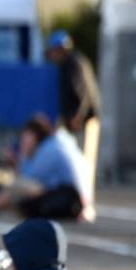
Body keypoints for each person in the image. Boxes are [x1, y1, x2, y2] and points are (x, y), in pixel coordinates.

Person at [0, 114, 87, 222]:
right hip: (71, 198)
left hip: (70, 200)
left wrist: (21, 156)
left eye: (25, 137)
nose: (23, 141)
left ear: (33, 135)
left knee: (18, 186)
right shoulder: (54, 144)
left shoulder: (50, 149)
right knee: (20, 193)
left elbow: (27, 177)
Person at [45, 29, 100, 212]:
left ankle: (85, 204)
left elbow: (82, 93)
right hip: (80, 119)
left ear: (60, 49)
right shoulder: (70, 63)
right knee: (79, 163)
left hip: (84, 120)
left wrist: (77, 116)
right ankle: (82, 202)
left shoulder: (73, 63)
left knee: (82, 163)